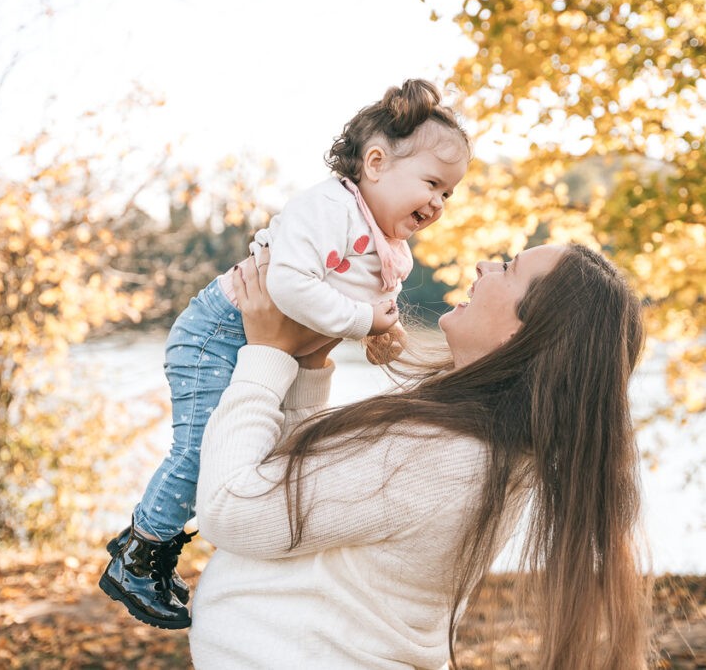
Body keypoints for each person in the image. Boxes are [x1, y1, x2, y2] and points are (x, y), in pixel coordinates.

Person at [99, 79, 471, 629]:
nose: (438, 203)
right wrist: (361, 320)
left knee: (260, 450)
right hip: (217, 332)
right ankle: (138, 556)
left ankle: (157, 540)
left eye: (449, 194)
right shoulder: (329, 208)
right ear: (375, 163)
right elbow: (290, 286)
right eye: (432, 183)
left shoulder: (389, 246)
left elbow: (369, 306)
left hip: (269, 345)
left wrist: (381, 333)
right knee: (203, 450)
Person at [190, 242, 652, 668]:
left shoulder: (441, 456)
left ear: (522, 333)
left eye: (508, 269)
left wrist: (266, 354)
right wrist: (308, 369)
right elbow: (302, 501)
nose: (484, 266)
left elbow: (232, 509)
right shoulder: (487, 449)